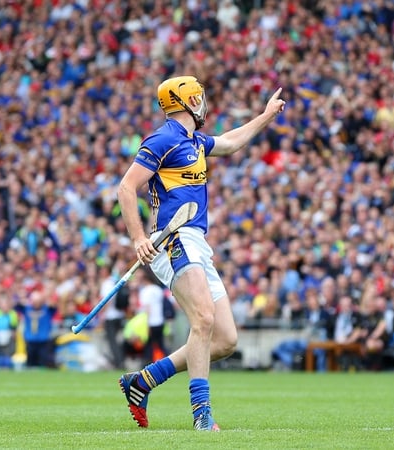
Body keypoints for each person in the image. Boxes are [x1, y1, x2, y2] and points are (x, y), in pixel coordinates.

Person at [116, 75, 285, 431]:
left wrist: (266, 115)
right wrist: (137, 238)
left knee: (224, 339)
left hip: (196, 242)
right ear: (191, 101)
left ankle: (143, 381)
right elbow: (126, 187)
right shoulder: (162, 139)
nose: (205, 103)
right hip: (173, 239)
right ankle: (201, 414)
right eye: (202, 98)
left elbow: (230, 142)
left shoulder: (193, 140)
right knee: (203, 320)